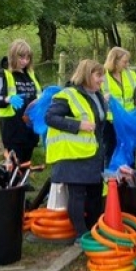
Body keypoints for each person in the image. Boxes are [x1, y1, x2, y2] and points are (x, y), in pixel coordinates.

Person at [44, 59, 107, 241]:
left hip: (93, 152)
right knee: (77, 194)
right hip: (73, 154)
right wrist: (78, 125)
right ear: (87, 75)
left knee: (95, 192)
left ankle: (94, 229)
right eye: (98, 75)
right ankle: (81, 234)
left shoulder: (97, 94)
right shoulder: (68, 95)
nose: (102, 79)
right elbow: (50, 117)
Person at [0, 39, 41, 163]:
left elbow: (39, 94)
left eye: (28, 58)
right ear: (13, 56)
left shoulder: (31, 74)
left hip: (30, 130)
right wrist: (9, 99)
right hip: (13, 130)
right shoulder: (3, 75)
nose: (25, 61)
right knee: (14, 168)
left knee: (26, 165)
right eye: (21, 57)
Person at [101, 46, 136, 165]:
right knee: (110, 151)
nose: (127, 64)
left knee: (130, 149)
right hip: (110, 122)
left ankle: (129, 179)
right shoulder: (102, 76)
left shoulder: (131, 75)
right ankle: (110, 180)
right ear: (115, 61)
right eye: (124, 61)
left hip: (128, 119)